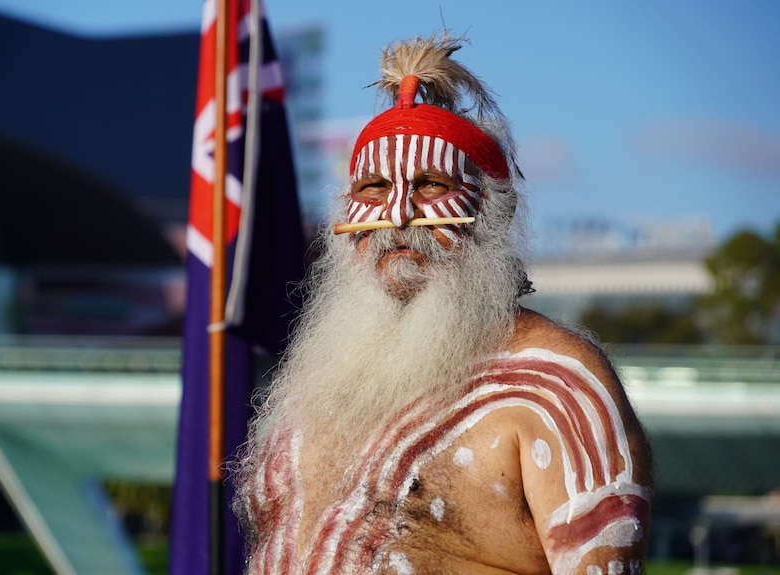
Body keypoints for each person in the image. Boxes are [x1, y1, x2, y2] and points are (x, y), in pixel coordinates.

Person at [233, 33, 653, 575]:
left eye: (431, 185)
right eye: (374, 188)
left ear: (491, 214)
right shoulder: (315, 382)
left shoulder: (558, 387)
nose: (399, 214)